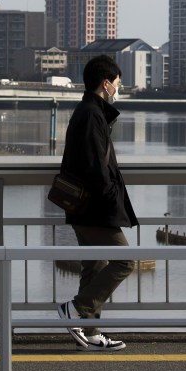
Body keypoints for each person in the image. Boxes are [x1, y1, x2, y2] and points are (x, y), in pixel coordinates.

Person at [55, 54, 138, 351]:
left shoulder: (90, 111)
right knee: (124, 261)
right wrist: (110, 199)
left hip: (85, 206)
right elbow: (95, 168)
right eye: (117, 83)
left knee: (95, 264)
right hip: (94, 208)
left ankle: (89, 332)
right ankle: (76, 310)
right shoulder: (91, 114)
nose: (119, 87)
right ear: (106, 84)